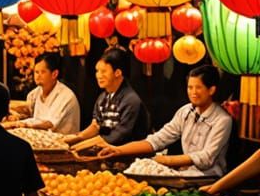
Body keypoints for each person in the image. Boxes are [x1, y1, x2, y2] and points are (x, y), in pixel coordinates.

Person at [97, 64, 232, 177]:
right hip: (184, 175)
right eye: (190, 87)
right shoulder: (185, 111)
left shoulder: (222, 120)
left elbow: (206, 158)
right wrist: (117, 150)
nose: (193, 92)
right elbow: (158, 139)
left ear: (211, 90)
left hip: (210, 178)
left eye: (198, 87)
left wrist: (167, 160)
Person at [62, 47, 147, 152]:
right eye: (97, 71)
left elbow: (118, 136)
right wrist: (77, 138)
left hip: (127, 155)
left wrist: (80, 146)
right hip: (105, 151)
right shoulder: (102, 97)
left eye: (104, 71)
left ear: (118, 73)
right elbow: (95, 126)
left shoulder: (131, 100)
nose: (99, 76)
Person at [2, 52, 80, 135]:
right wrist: (16, 117)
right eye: (36, 72)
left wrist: (22, 124)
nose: (38, 76)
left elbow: (49, 124)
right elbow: (31, 115)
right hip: (41, 138)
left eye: (42, 72)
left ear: (54, 74)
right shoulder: (34, 94)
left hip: (63, 143)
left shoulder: (66, 96)